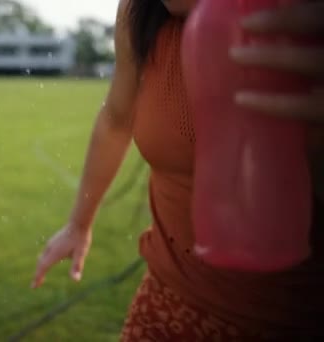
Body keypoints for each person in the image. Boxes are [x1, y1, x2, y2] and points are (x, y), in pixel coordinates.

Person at [31, 0, 324, 340]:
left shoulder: (302, 19)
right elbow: (116, 119)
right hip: (169, 301)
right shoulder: (139, 13)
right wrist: (78, 224)